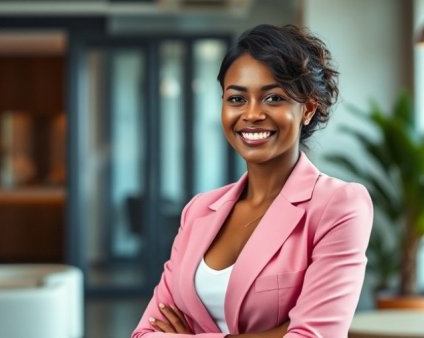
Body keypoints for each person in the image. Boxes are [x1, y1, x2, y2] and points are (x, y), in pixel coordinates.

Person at [131, 24, 373, 338]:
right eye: (236, 99)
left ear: (308, 109)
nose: (252, 114)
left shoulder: (338, 205)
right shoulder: (199, 211)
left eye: (273, 98)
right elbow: (145, 333)